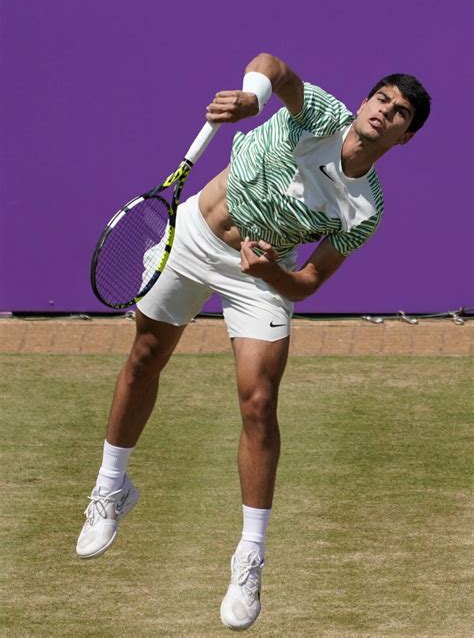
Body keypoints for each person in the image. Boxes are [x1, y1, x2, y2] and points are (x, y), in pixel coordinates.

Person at [76, 53, 431, 630]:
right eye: (383, 100)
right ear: (365, 104)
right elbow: (275, 66)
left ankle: (249, 557)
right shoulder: (318, 114)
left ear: (406, 136)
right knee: (144, 356)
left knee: (259, 404)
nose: (386, 112)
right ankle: (110, 488)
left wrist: (271, 277)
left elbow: (311, 280)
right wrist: (254, 97)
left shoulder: (365, 209)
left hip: (259, 274)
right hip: (191, 238)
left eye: (401, 113)